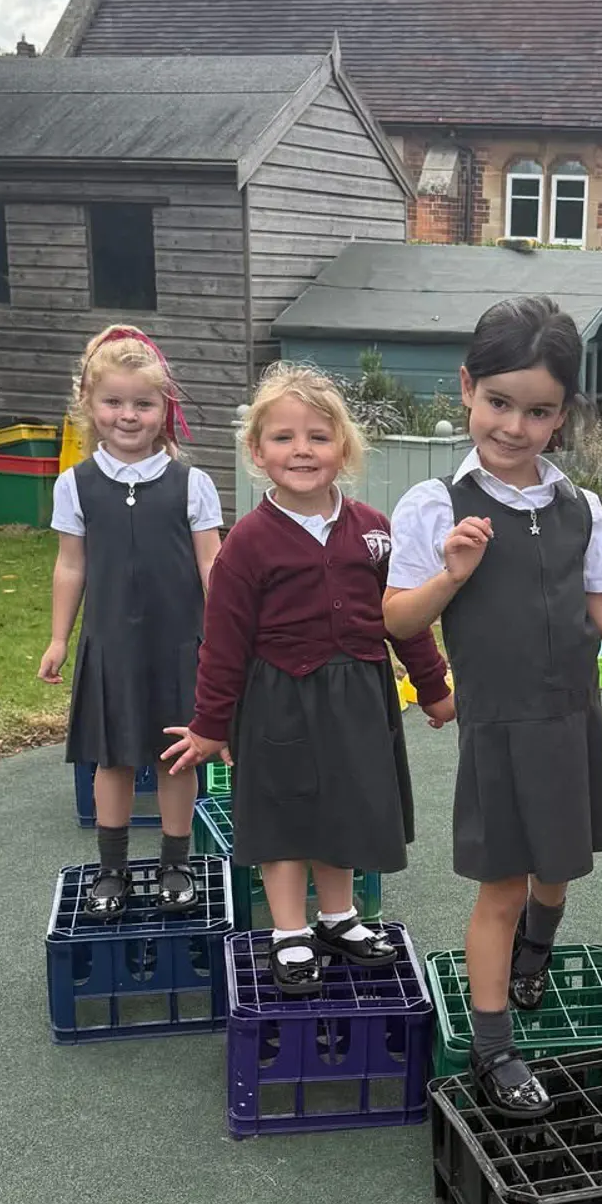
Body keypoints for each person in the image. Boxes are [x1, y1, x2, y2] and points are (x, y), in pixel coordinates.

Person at [383, 296, 602, 1116]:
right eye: (499, 403)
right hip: (495, 729)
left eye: (539, 411)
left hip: (571, 721)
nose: (516, 427)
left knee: (557, 868)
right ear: (466, 388)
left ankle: (538, 946)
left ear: (562, 417)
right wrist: (451, 573)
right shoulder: (432, 505)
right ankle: (494, 1048)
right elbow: (396, 620)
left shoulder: (581, 508)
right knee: (500, 885)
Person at [162, 365, 453, 993]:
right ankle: (289, 931)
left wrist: (433, 689)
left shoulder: (375, 530)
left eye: (318, 437)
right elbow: (224, 642)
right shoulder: (247, 543)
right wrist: (212, 724)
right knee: (285, 815)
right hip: (278, 703)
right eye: (284, 438)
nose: (302, 450)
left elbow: (404, 620)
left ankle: (338, 916)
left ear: (343, 449)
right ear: (257, 452)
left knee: (343, 808)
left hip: (359, 699)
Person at [41, 326, 222, 916]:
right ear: (89, 407)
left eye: (143, 403)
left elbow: (212, 566)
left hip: (179, 646)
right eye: (113, 402)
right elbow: (71, 566)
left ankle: (176, 866)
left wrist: (226, 639)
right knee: (113, 758)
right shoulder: (75, 484)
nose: (128, 415)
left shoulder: (192, 483)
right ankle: (112, 872)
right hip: (111, 645)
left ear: (163, 408)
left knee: (178, 756)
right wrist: (59, 639)